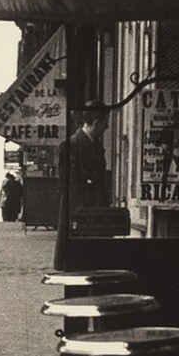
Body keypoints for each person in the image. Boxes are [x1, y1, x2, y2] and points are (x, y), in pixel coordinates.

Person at [53, 99, 110, 268]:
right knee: (77, 265)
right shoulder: (71, 145)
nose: (107, 128)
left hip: (95, 213)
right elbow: (67, 185)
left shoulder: (97, 147)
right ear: (97, 122)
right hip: (77, 214)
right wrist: (79, 214)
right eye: (105, 123)